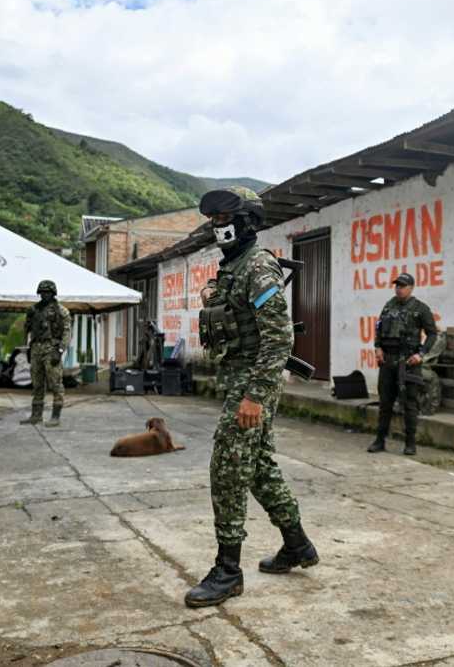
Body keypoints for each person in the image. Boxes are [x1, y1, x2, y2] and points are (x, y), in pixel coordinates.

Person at [184, 187, 318, 609]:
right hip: (239, 376)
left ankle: (228, 570)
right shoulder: (234, 266)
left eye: (226, 216)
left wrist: (254, 396)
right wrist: (212, 292)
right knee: (257, 466)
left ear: (247, 221)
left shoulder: (258, 267)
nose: (218, 225)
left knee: (227, 465)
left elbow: (279, 339)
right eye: (214, 218)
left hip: (252, 382)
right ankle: (297, 544)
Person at [369, 272, 437, 455]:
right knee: (385, 402)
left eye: (402, 286)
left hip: (408, 361)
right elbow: (379, 328)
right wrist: (377, 347)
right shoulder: (389, 305)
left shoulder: (420, 308)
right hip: (388, 360)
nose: (398, 289)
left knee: (410, 403)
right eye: (397, 285)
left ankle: (410, 443)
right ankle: (380, 440)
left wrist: (421, 354)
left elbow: (432, 334)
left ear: (411, 288)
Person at [21, 280, 71, 427]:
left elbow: (67, 333)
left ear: (53, 293)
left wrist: (60, 350)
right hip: (36, 348)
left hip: (52, 349)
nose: (44, 295)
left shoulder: (61, 311)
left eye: (47, 292)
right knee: (37, 383)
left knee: (55, 384)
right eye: (42, 292)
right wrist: (27, 348)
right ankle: (36, 415)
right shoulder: (33, 310)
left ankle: (56, 416)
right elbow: (27, 329)